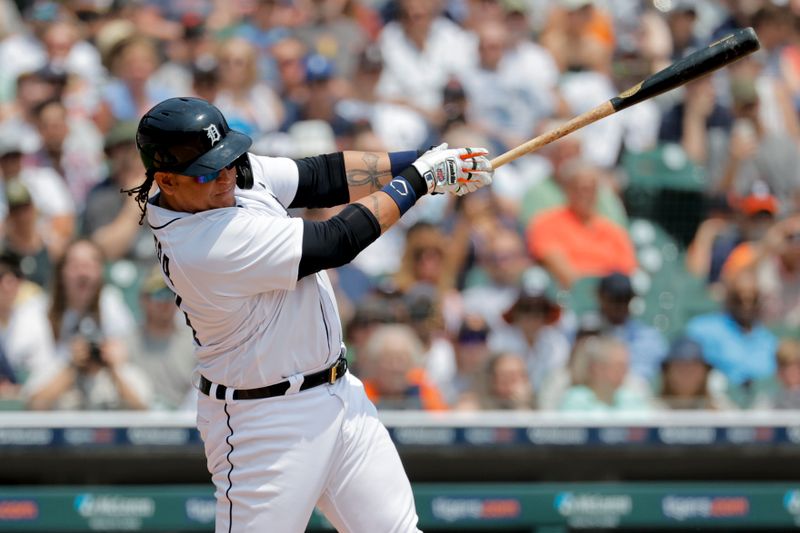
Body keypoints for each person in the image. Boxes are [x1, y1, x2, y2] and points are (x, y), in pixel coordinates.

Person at [125, 97, 492, 532]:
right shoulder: (200, 246)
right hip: (264, 424)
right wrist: (420, 180)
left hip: (340, 394)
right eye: (209, 170)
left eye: (228, 160)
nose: (226, 176)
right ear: (166, 180)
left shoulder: (223, 180)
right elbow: (335, 241)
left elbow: (320, 177)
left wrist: (426, 159)